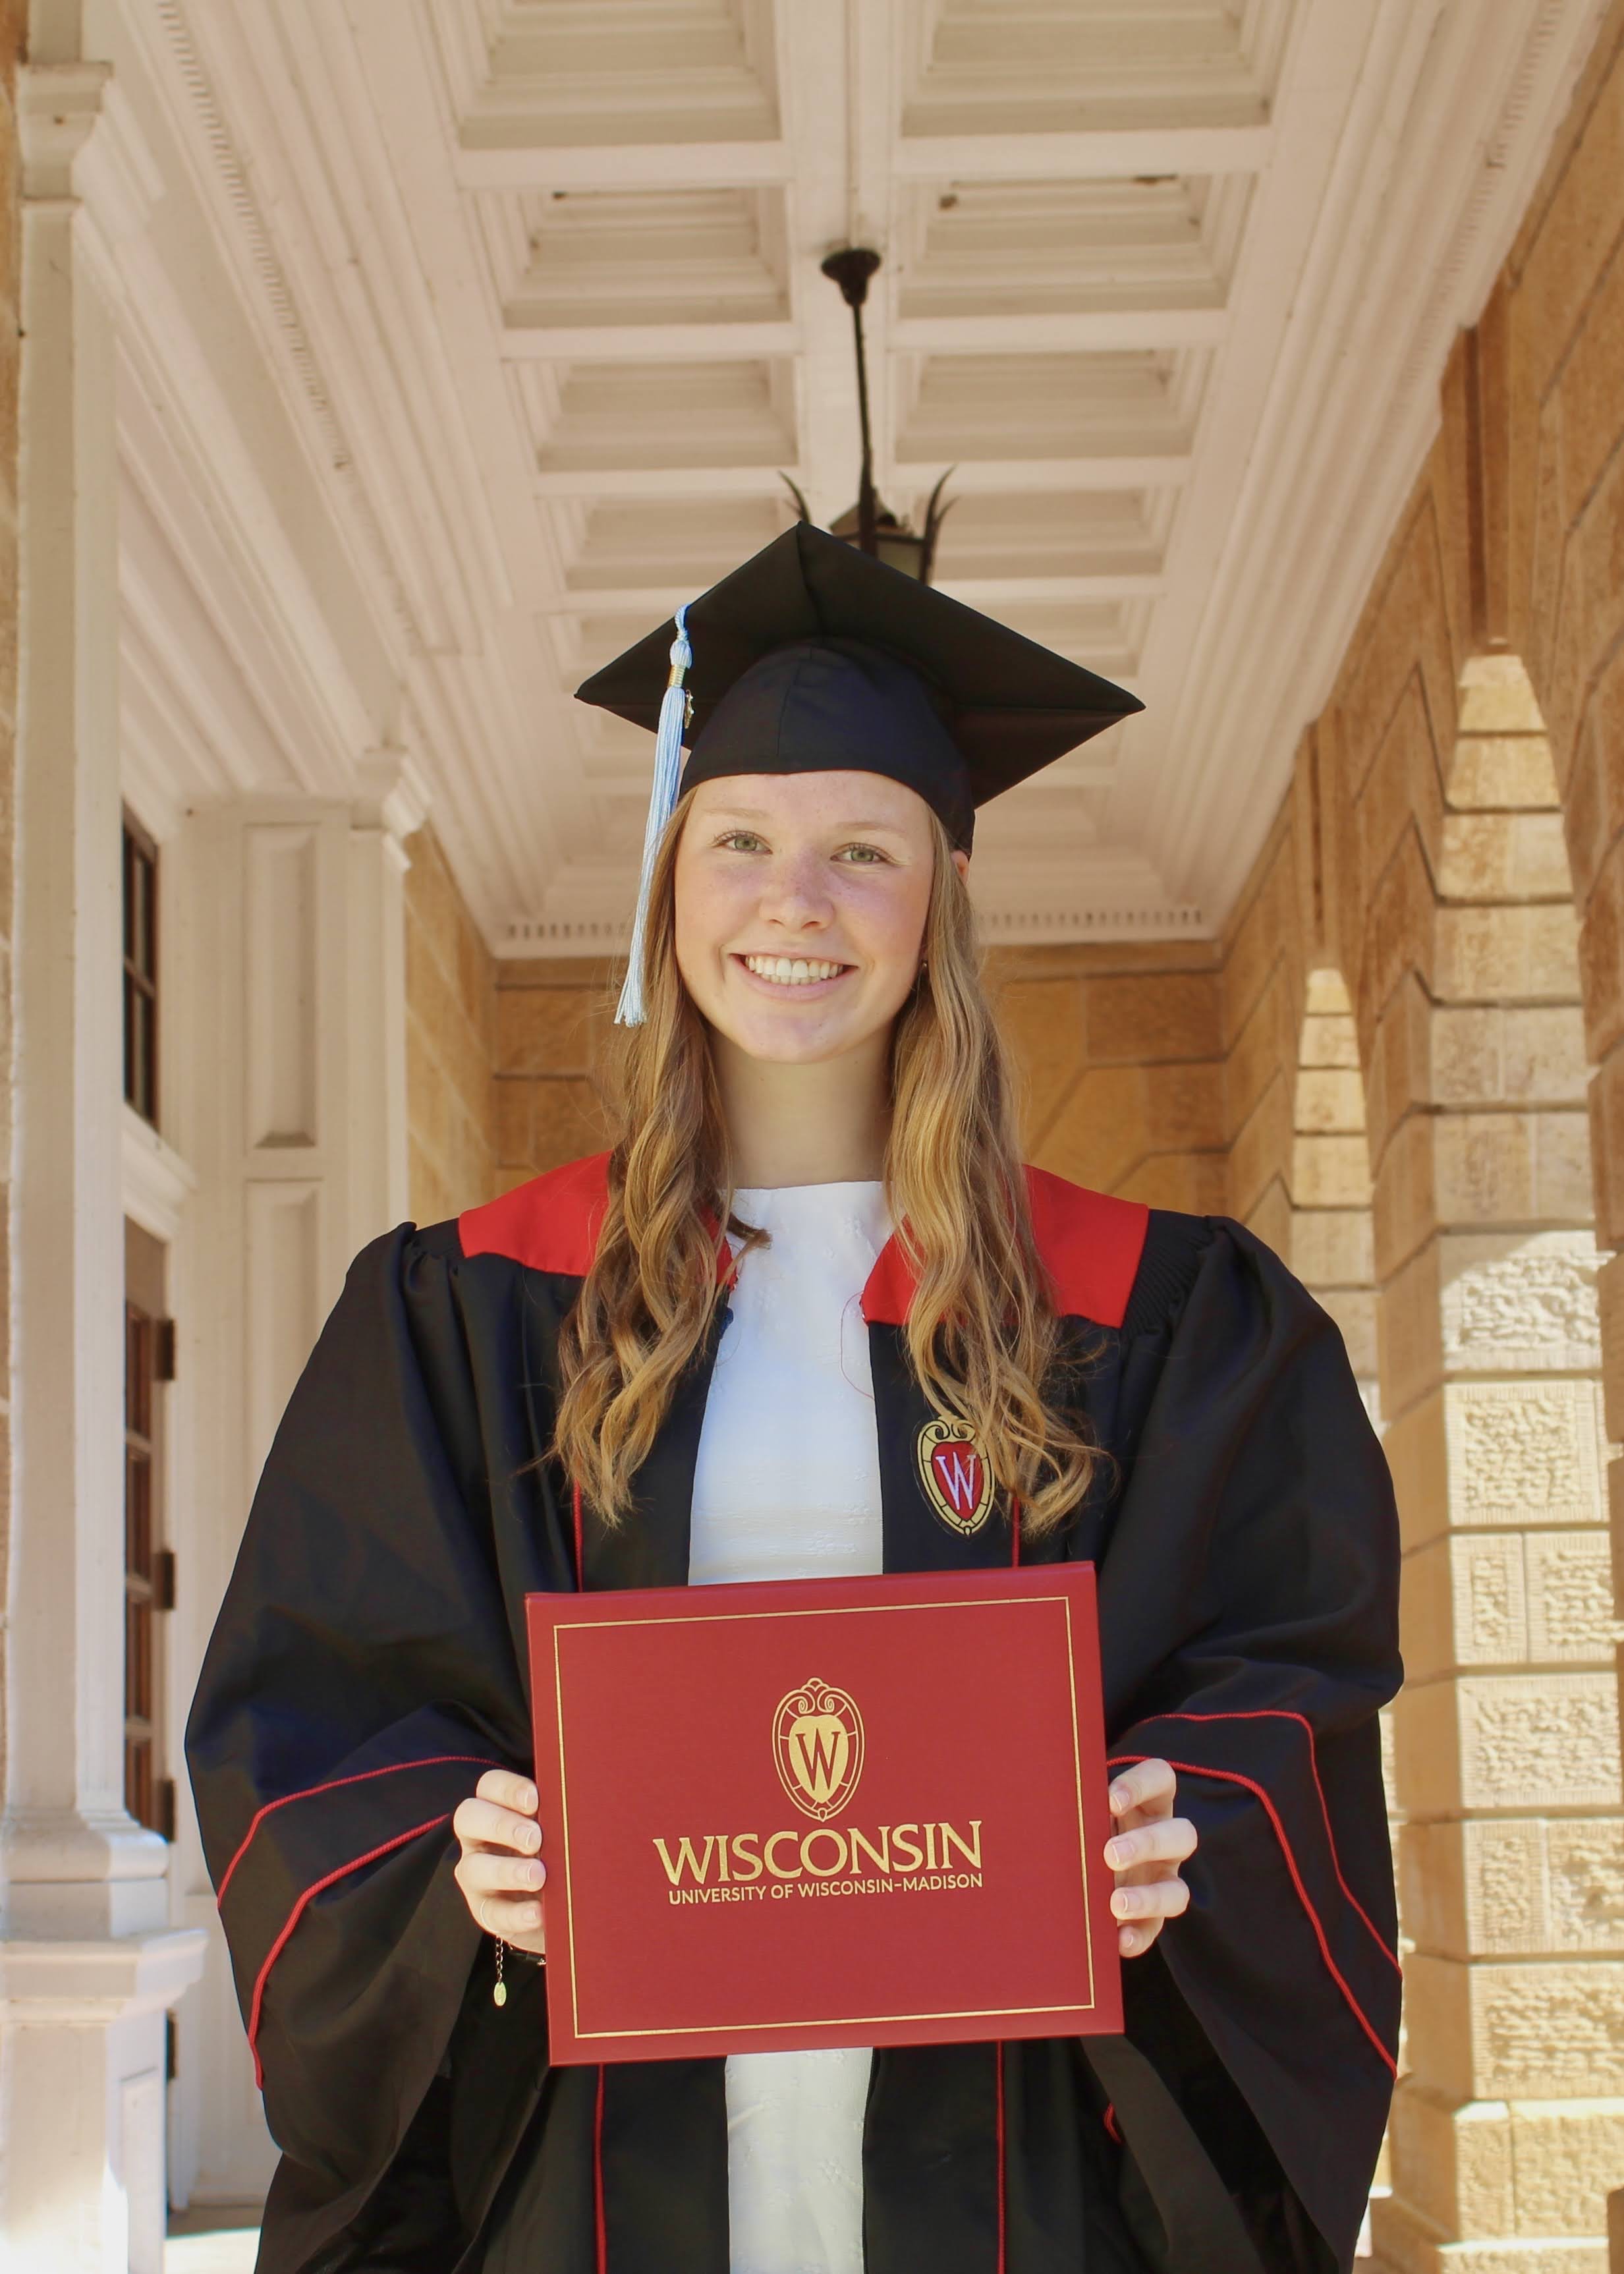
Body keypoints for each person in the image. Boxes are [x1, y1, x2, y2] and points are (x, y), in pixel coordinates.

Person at [188, 524, 1401, 2274]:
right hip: (603, 2184)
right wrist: (460, 1856)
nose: (794, 901)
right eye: (741, 840)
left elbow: (1290, 1683)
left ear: (942, 898)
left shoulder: (1162, 1316)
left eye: (861, 850)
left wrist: (1176, 1821)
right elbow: (310, 1725)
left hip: (1015, 2180)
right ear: (671, 879)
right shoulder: (468, 1312)